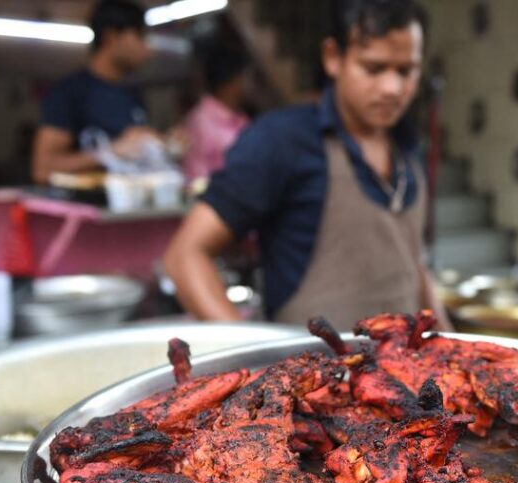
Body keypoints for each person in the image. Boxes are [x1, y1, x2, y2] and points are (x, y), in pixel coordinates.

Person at [163, 0, 447, 330]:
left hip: (408, 375)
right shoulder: (282, 141)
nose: (392, 89)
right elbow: (185, 256)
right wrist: (256, 359)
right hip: (316, 377)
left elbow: (414, 264)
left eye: (406, 71)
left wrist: (452, 343)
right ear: (333, 57)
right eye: (374, 68)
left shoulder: (408, 151)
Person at [31, 0, 156, 185]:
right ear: (111, 37)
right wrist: (111, 152)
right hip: (86, 210)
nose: (147, 50)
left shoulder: (133, 96)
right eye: (139, 37)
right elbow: (43, 169)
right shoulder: (70, 93)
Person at [181, 44, 252, 186]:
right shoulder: (200, 121)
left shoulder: (240, 118)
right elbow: (196, 178)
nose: (251, 83)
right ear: (234, 80)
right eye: (247, 76)